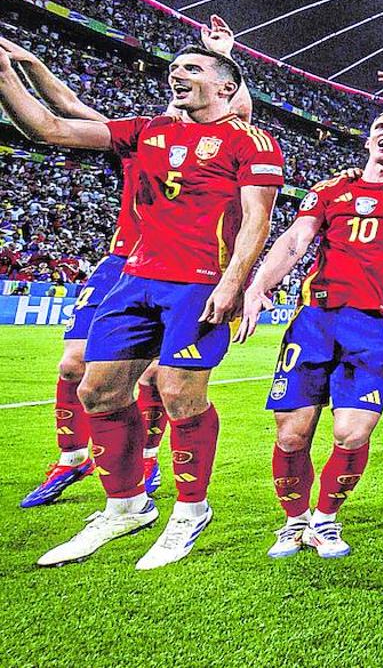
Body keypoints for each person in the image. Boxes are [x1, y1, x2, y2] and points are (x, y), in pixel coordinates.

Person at [1, 40, 285, 570]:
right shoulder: (146, 131)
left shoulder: (252, 142)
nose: (177, 74)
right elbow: (50, 126)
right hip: (133, 277)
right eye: (175, 68)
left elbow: (257, 220)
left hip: (198, 285)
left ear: (226, 86)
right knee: (97, 388)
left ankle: (190, 509)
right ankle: (126, 504)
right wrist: (4, 74)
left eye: (193, 68)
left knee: (178, 392)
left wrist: (233, 284)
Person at [236, 69, 383, 558]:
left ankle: (326, 521)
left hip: (371, 325)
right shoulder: (331, 190)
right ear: (367, 142)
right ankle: (293, 522)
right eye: (379, 129)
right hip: (314, 320)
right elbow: (294, 240)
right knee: (291, 434)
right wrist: (258, 286)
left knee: (351, 431)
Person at [0, 36, 166, 509]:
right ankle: (71, 458)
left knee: (153, 376)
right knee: (73, 364)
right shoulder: (141, 138)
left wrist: (226, 56)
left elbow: (238, 112)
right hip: (119, 262)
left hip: (171, 269)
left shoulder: (219, 146)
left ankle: (149, 457)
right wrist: (29, 62)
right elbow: (67, 108)